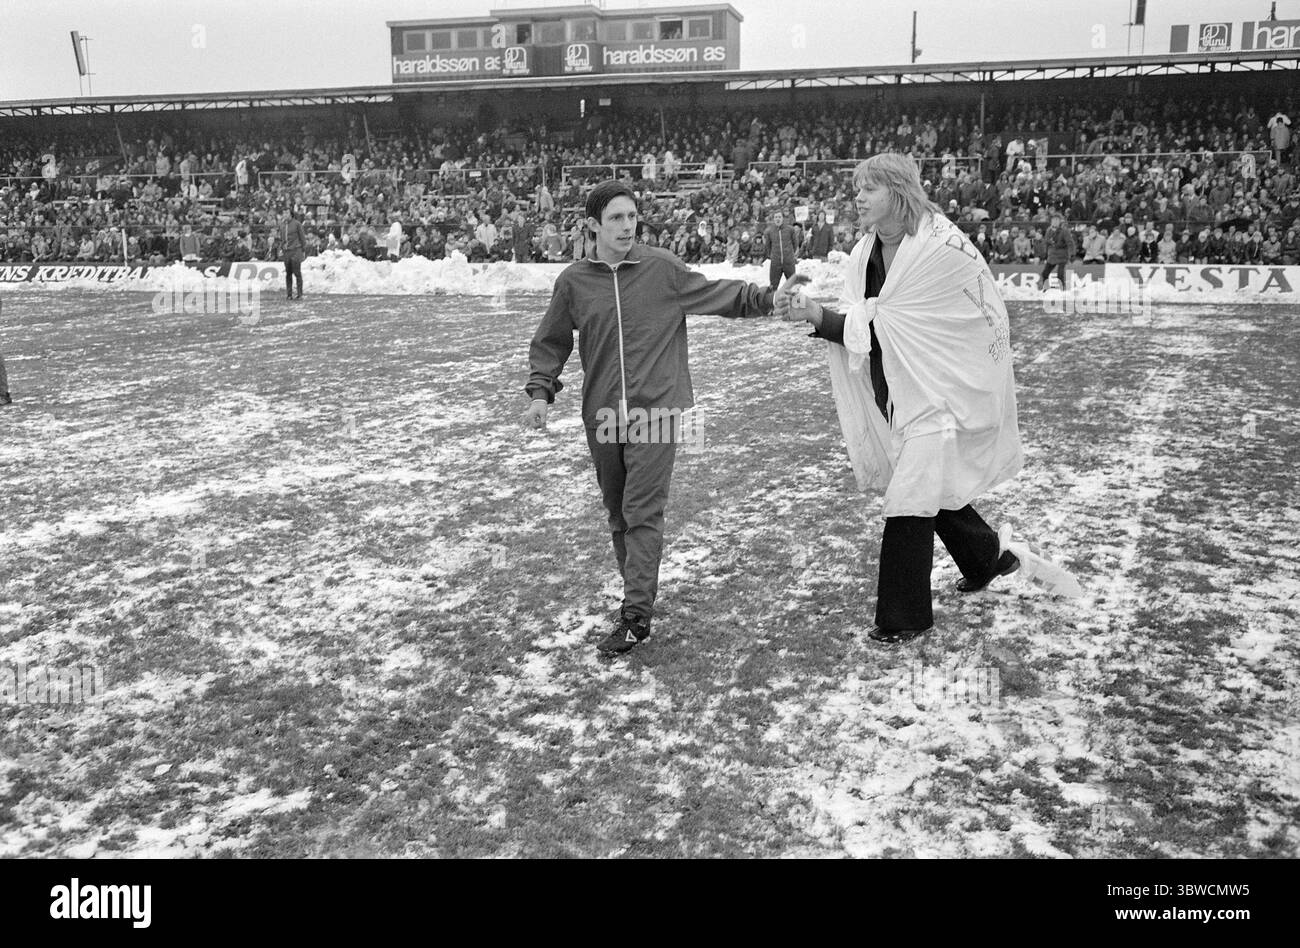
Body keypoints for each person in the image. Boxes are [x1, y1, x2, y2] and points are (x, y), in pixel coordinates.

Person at [774, 154, 1023, 644]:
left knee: (910, 494)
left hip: (942, 392)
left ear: (898, 192)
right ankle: (989, 557)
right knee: (929, 480)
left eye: (869, 190)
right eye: (857, 189)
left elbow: (973, 318)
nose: (858, 199)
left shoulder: (940, 249)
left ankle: (904, 617)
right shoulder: (867, 252)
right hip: (897, 388)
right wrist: (809, 312)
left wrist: (828, 319)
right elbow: (871, 324)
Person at [523, 180, 775, 655]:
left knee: (642, 512)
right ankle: (635, 593)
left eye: (631, 217)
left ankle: (637, 614)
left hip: (658, 411)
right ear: (593, 226)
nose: (626, 226)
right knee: (618, 514)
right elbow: (551, 341)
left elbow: (720, 294)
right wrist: (541, 392)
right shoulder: (574, 283)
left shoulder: (662, 269)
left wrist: (767, 299)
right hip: (602, 416)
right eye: (615, 218)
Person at [763, 210, 800, 291]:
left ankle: (795, 302)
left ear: (783, 218)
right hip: (776, 263)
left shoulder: (790, 229)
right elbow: (768, 246)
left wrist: (790, 254)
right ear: (773, 219)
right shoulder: (769, 231)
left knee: (793, 284)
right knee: (773, 286)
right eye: (776, 217)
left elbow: (795, 243)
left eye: (779, 217)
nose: (778, 219)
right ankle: (773, 302)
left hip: (788, 262)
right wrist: (773, 256)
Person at [1039, 213, 1074, 289]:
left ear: (1060, 221)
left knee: (1060, 275)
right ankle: (1046, 288)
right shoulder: (1048, 230)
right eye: (1053, 220)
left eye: (1057, 220)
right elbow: (1046, 242)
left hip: (1062, 255)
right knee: (1045, 273)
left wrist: (1071, 254)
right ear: (1051, 221)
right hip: (1052, 255)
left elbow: (1070, 243)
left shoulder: (1064, 231)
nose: (1055, 221)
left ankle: (1063, 289)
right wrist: (1045, 253)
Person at [279, 207, 306, 300]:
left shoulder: (297, 224)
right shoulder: (282, 225)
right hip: (286, 252)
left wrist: (303, 250)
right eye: (283, 213)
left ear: (291, 214)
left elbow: (302, 237)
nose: (284, 215)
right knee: (288, 273)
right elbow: (282, 239)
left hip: (295, 250)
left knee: (297, 273)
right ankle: (289, 294)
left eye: (286, 213)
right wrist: (281, 249)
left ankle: (300, 294)